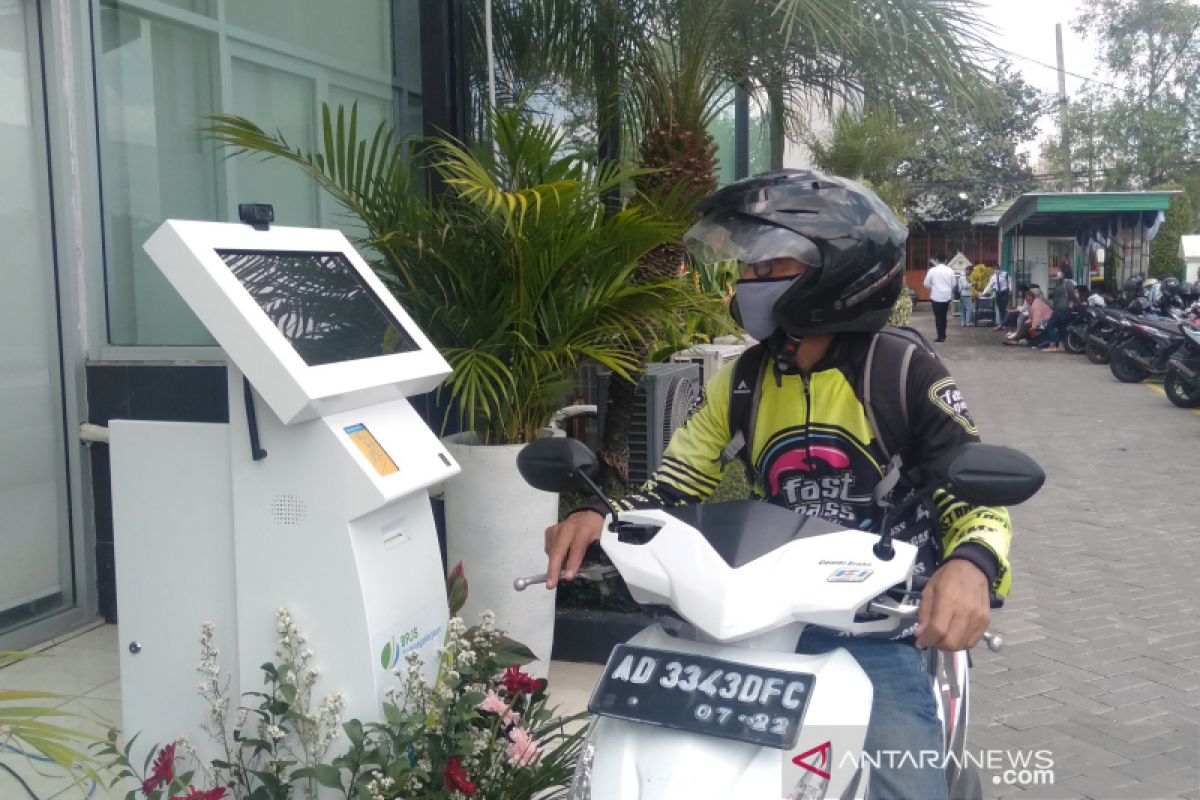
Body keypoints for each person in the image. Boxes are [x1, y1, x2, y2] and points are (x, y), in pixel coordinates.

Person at [544, 171, 1013, 800]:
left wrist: (972, 565)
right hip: (762, 617)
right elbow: (678, 479)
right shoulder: (743, 380)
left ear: (837, 272)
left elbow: (970, 483)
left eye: (768, 267)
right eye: (746, 269)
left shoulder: (900, 368)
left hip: (879, 625)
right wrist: (600, 517)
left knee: (910, 784)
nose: (746, 284)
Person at [1041, 264, 1076, 353]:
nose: (1058, 273)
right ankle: (1061, 346)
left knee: (1050, 326)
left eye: (1059, 271)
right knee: (1061, 328)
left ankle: (1052, 345)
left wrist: (1075, 302)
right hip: (1059, 308)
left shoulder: (1068, 283)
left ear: (1064, 273)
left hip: (1062, 309)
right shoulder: (1061, 282)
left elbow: (1073, 295)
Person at [923, 252, 956, 342]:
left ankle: (940, 336)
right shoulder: (950, 270)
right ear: (946, 260)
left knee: (938, 317)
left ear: (937, 260)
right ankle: (943, 334)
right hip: (946, 297)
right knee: (944, 316)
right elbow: (954, 284)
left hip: (936, 296)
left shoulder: (932, 270)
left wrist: (933, 288)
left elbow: (926, 284)